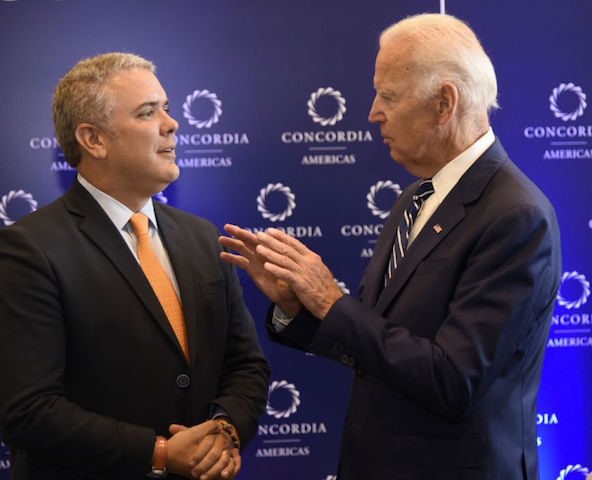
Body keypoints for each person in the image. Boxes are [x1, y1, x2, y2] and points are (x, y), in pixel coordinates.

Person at [219, 13, 561, 480]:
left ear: (444, 103)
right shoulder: (415, 198)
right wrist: (300, 306)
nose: (373, 112)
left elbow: (453, 382)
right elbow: (371, 338)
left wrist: (331, 301)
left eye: (389, 96)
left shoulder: (514, 216)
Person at [0, 52, 270, 480]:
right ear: (94, 140)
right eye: (148, 112)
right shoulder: (28, 251)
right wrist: (161, 453)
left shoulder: (203, 237)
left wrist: (224, 432)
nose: (172, 123)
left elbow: (247, 364)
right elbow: (29, 410)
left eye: (166, 108)